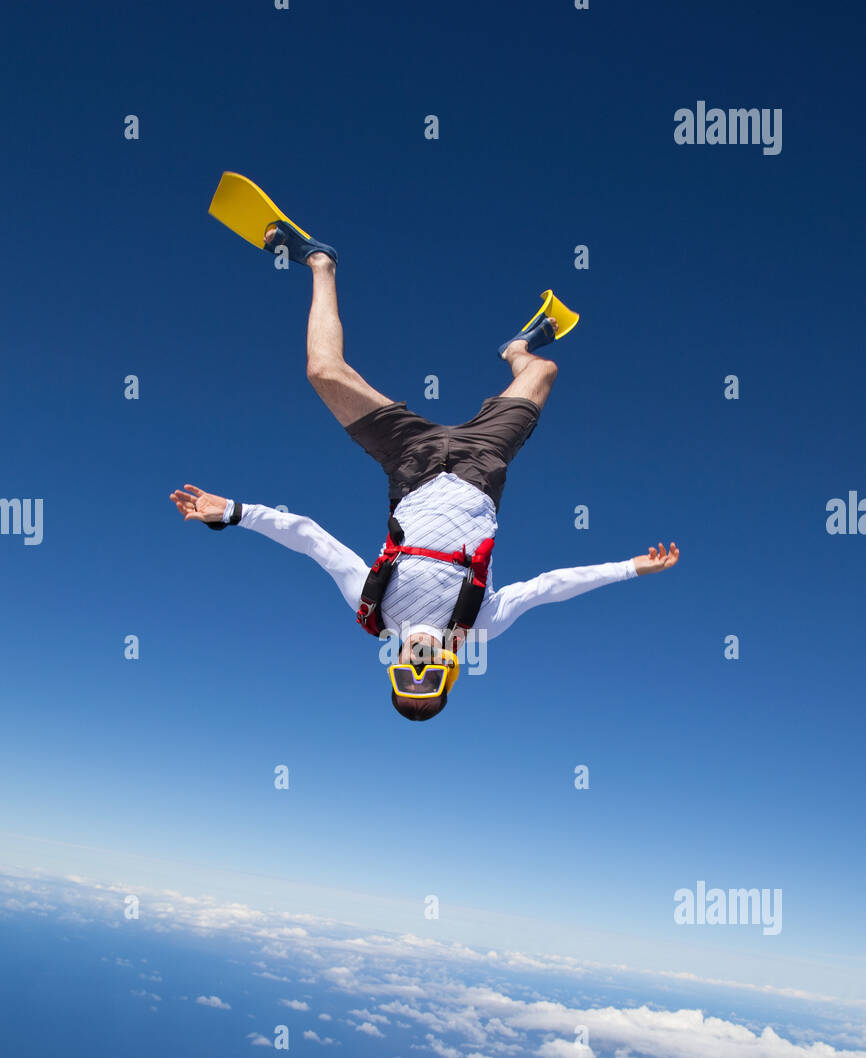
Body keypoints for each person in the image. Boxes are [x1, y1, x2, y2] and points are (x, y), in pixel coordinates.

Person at [171, 219, 679, 720]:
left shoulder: (373, 609)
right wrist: (632, 567)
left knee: (323, 372)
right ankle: (516, 350)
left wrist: (235, 513)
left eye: (405, 676)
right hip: (482, 464)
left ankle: (319, 262)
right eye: (430, 679)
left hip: (410, 461)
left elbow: (309, 537)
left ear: (391, 666)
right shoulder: (479, 626)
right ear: (450, 671)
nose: (418, 665)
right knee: (543, 370)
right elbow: (549, 587)